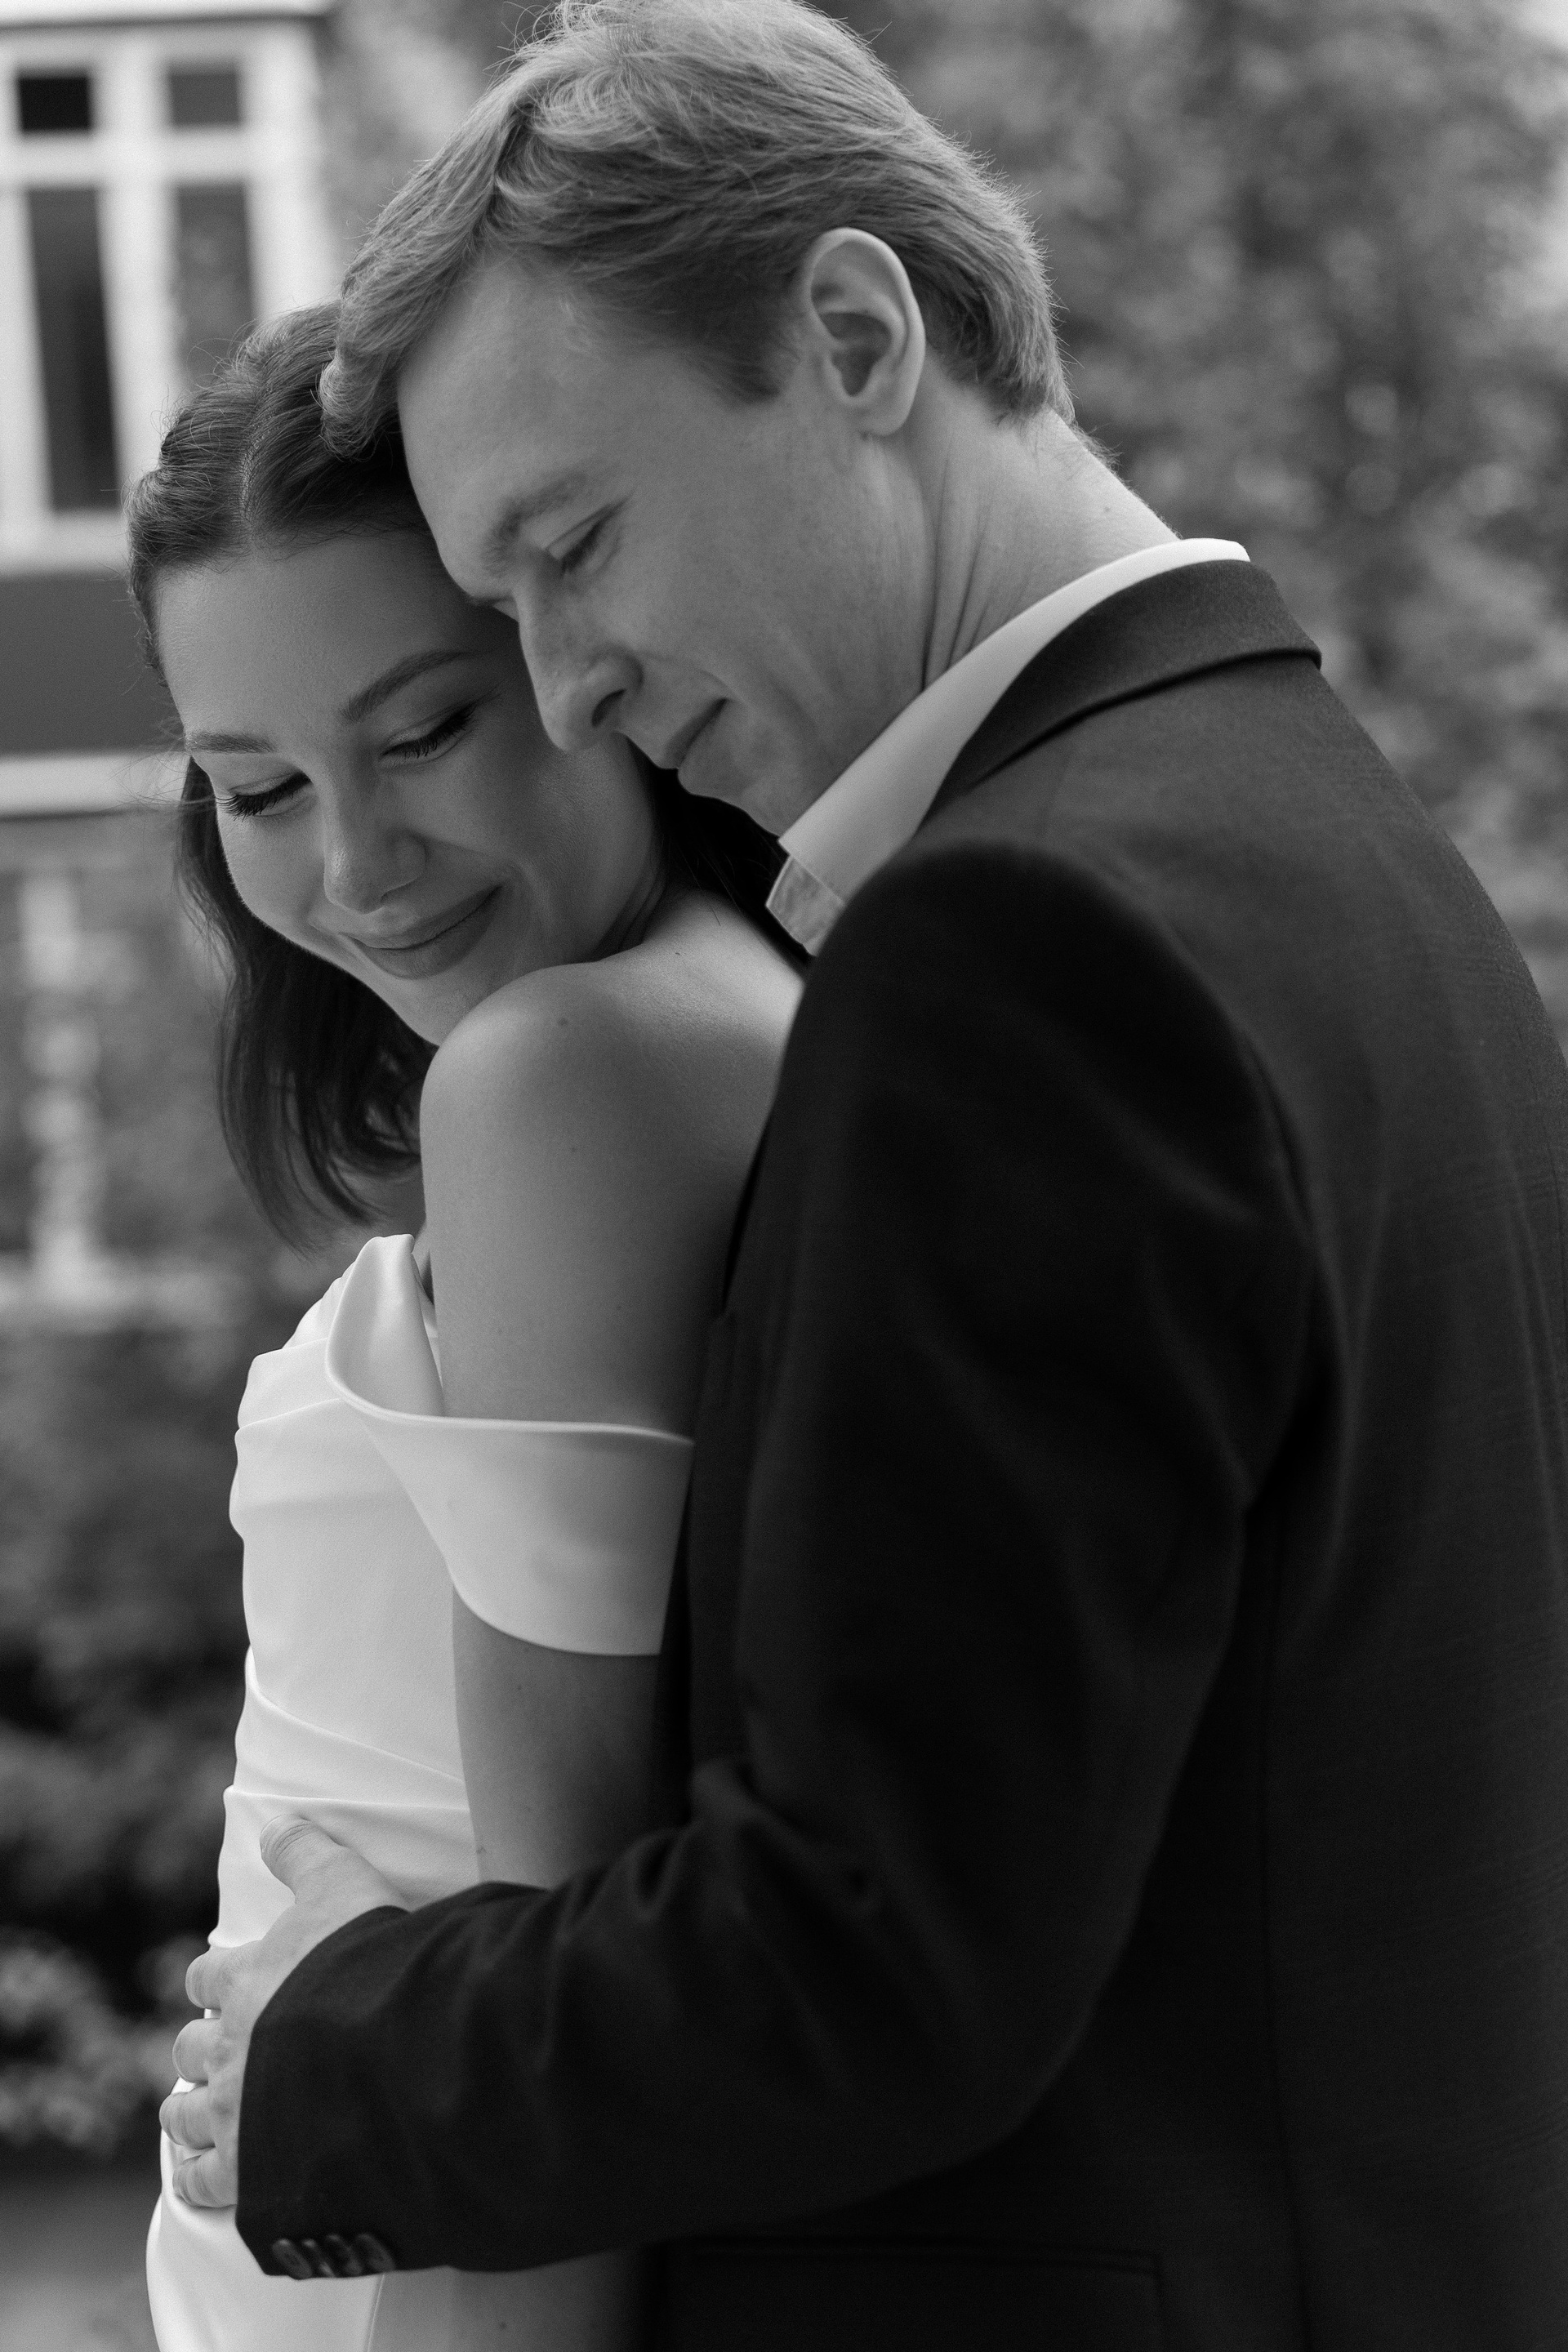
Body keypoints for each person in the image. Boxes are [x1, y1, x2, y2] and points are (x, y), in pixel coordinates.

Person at [164, 3, 1568, 2345]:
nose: (573, 684)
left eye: (574, 547)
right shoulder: (1334, 844)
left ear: (851, 338)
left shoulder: (1026, 947)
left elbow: (886, 1944)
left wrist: (333, 2065)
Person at [131, 301, 800, 2351]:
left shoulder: (563, 1079)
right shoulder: (723, 1016)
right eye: (256, 787)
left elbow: (554, 1948)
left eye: (421, 733)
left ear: (580, 660)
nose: (353, 865)